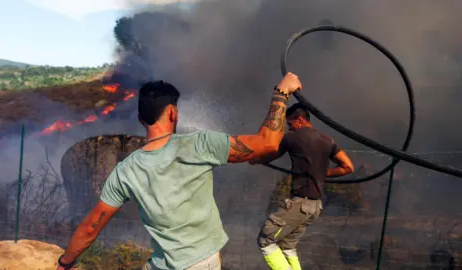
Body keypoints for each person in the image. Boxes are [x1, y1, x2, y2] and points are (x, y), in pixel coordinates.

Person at [56, 72, 302, 270]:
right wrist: (281, 93)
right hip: (203, 262)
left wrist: (64, 263)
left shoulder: (125, 171)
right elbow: (268, 142)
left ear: (141, 119)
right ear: (173, 112)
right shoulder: (198, 144)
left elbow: (90, 228)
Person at [249, 103, 354, 270]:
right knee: (287, 247)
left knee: (265, 241)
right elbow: (348, 166)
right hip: (315, 207)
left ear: (299, 119)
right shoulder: (328, 140)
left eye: (290, 124)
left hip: (300, 204)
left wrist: (254, 159)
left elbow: (269, 153)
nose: (290, 128)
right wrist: (322, 173)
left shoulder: (292, 137)